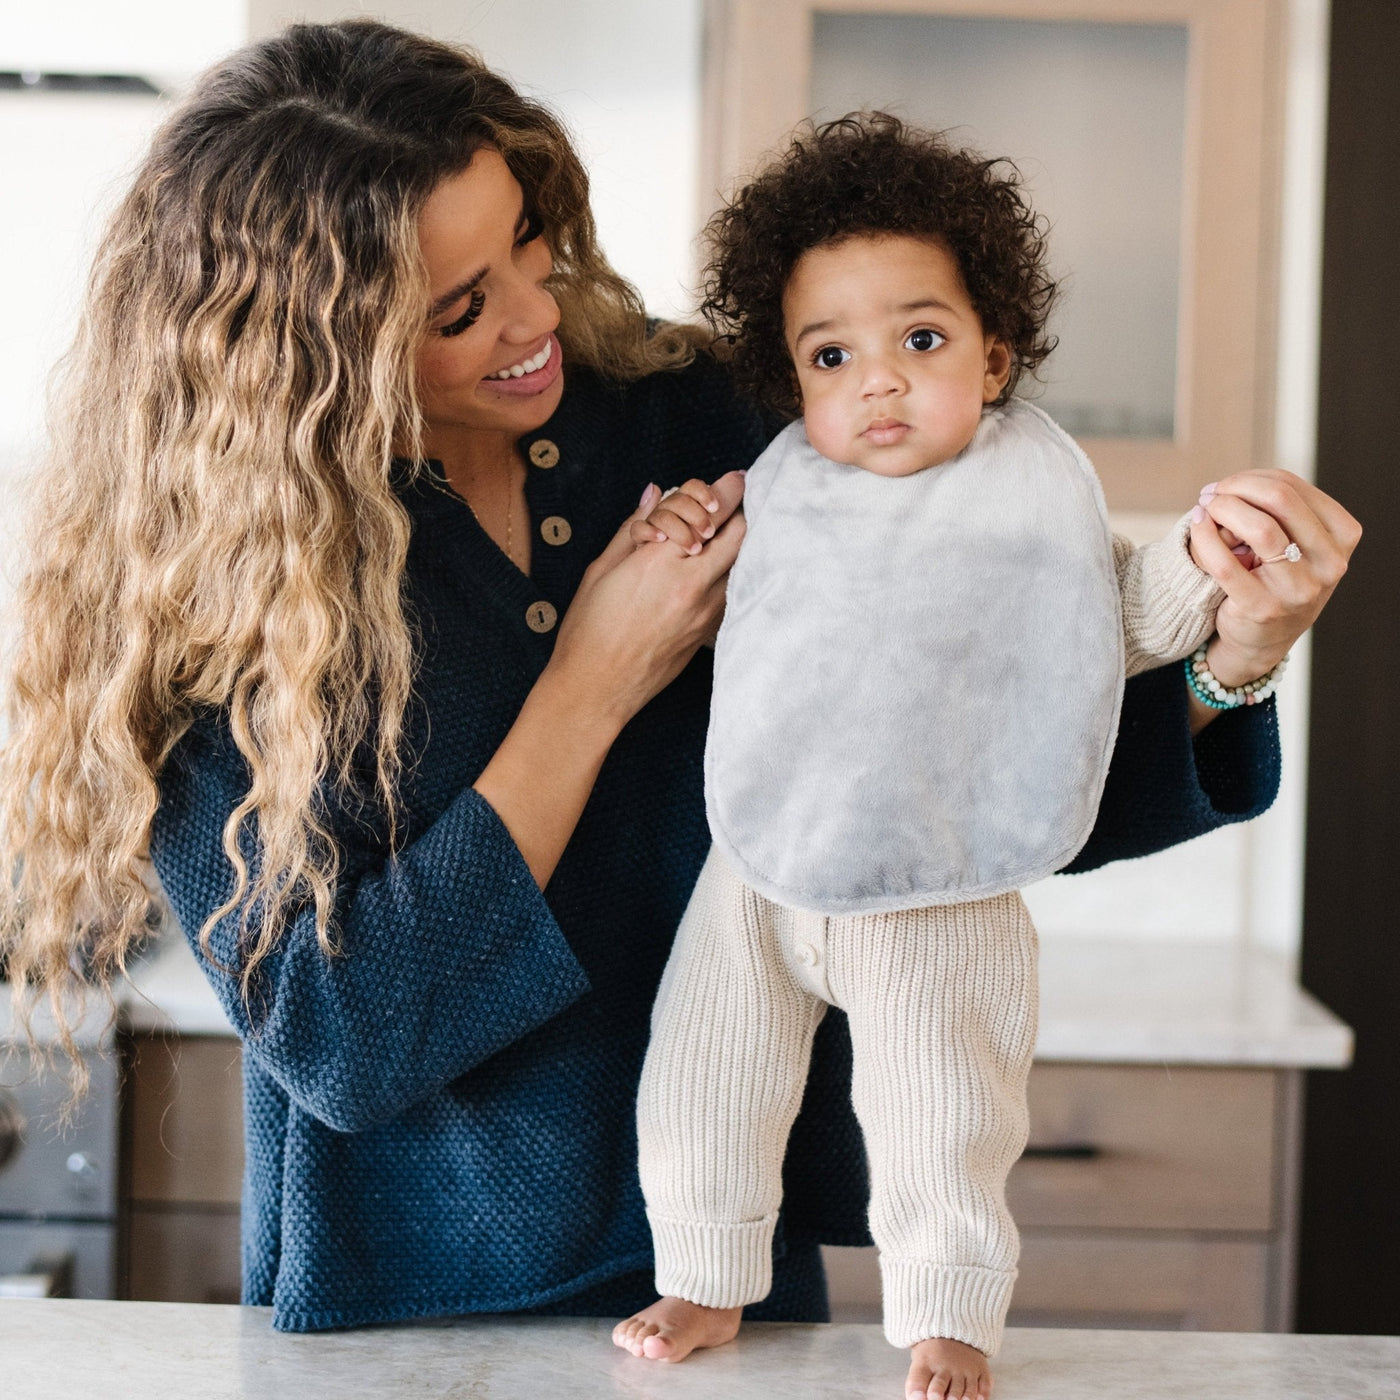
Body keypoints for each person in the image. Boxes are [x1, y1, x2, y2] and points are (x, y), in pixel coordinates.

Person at [0, 20, 1357, 1346]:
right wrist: (592, 683)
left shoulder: (705, 419)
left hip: (728, 1276)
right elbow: (343, 1041)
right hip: (403, 1307)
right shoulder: (209, 588)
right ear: (307, 352)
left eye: (528, 236)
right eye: (461, 308)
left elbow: (946, 800)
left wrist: (1230, 658)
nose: (536, 315)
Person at [609, 113, 1282, 1400]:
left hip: (938, 880)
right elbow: (715, 620)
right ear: (792, 381)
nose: (876, 381)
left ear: (993, 354)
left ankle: (947, 1313)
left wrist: (1207, 565)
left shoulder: (1021, 504)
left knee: (941, 1115)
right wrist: (677, 538)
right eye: (831, 355)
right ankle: (700, 1273)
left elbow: (1111, 621)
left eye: (918, 340)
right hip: (761, 864)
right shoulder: (779, 489)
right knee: (698, 1075)